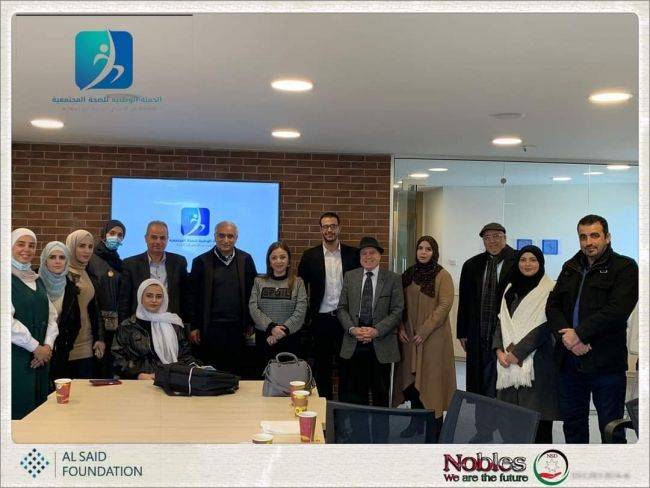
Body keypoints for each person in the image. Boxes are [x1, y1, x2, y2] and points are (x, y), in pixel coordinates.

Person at [546, 215, 638, 443]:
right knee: (573, 425)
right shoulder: (570, 267)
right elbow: (553, 305)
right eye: (583, 237)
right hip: (569, 362)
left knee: (611, 429)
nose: (589, 242)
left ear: (607, 237)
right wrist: (568, 338)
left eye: (595, 235)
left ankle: (610, 468)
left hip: (605, 364)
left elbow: (617, 311)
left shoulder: (625, 267)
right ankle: (580, 465)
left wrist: (578, 334)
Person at [493, 245, 558, 444]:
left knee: (538, 426)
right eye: (523, 260)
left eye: (533, 260)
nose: (527, 264)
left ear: (541, 263)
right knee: (510, 423)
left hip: (538, 363)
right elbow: (502, 321)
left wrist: (519, 352)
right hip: (507, 363)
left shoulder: (550, 289)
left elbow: (546, 326)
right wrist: (498, 350)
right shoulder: (510, 289)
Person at [393, 236, 456, 441]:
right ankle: (416, 423)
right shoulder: (409, 274)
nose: (423, 252)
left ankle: (435, 429)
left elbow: (444, 305)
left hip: (433, 339)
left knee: (432, 384)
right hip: (410, 338)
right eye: (420, 248)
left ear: (434, 252)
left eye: (428, 249)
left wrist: (425, 330)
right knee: (412, 383)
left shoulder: (442, 275)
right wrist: (400, 327)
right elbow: (399, 303)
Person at [297, 212, 359, 400]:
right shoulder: (309, 256)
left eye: (333, 226)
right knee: (322, 367)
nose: (329, 230)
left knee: (347, 365)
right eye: (325, 226)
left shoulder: (353, 254)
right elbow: (300, 288)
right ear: (320, 229)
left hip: (346, 320)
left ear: (339, 228)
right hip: (320, 319)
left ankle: (345, 408)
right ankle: (324, 406)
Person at [337, 236, 404, 408]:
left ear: (380, 255)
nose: (368, 256)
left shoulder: (393, 278)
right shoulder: (350, 276)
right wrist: (352, 329)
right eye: (364, 253)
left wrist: (376, 331)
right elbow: (342, 308)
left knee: (381, 396)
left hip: (381, 343)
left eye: (372, 252)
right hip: (355, 343)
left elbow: (397, 311)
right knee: (356, 397)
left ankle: (380, 427)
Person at [456, 222, 517, 397]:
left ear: (505, 237)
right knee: (479, 379)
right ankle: (479, 413)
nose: (492, 241)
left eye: (496, 236)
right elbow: (464, 301)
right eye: (487, 238)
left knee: (503, 379)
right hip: (478, 331)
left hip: (506, 332)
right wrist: (462, 332)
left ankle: (502, 412)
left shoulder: (518, 261)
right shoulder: (471, 265)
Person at [189, 221, 257, 375]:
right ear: (214, 236)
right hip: (210, 329)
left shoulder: (246, 259)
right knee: (212, 372)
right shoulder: (201, 262)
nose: (226, 240)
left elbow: (253, 293)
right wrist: (194, 326)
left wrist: (250, 323)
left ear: (236, 238)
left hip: (238, 329)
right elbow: (193, 297)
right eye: (221, 236)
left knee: (236, 372)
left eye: (230, 236)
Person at [11, 228, 59, 420]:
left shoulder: (36, 279)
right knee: (19, 412)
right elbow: (6, 321)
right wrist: (35, 347)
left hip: (40, 359)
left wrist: (47, 347)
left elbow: (51, 315)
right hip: (17, 358)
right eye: (21, 244)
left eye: (32, 245)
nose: (27, 249)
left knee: (38, 412)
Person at [112, 279, 198, 379]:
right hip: (138, 382)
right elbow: (117, 359)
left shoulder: (174, 324)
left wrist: (198, 369)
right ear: (140, 297)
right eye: (149, 296)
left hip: (169, 380)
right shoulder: (127, 326)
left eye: (159, 296)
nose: (154, 300)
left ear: (164, 299)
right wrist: (138, 375)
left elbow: (185, 356)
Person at [118, 220, 190, 324]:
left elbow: (186, 296)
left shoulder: (179, 262)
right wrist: (124, 325)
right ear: (146, 238)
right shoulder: (130, 264)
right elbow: (124, 300)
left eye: (162, 238)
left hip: (170, 323)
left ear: (167, 239)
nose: (158, 241)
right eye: (154, 237)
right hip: (140, 324)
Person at [249, 241, 308, 368]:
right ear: (269, 262)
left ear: (289, 261)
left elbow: (301, 310)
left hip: (290, 339)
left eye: (283, 257)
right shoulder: (258, 281)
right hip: (265, 339)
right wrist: (271, 328)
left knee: (289, 377)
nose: (278, 261)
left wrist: (282, 331)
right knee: (264, 376)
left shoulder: (298, 283)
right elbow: (253, 307)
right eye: (274, 258)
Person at [87, 219, 126, 378]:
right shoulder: (91, 259)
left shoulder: (119, 263)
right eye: (112, 233)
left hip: (115, 326)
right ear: (104, 234)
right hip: (96, 324)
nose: (115, 237)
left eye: (120, 235)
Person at [38, 241, 79, 386]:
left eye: (62, 257)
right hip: (34, 350)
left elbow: (76, 322)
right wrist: (38, 348)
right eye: (52, 257)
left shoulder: (70, 288)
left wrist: (65, 346)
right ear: (45, 260)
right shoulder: (34, 282)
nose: (57, 261)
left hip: (60, 352)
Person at [65, 230, 105, 378]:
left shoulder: (88, 272)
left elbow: (95, 309)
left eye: (90, 246)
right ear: (71, 246)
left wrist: (99, 338)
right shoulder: (61, 273)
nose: (87, 251)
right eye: (81, 246)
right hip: (65, 345)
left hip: (87, 343)